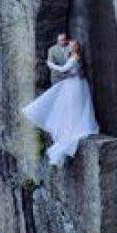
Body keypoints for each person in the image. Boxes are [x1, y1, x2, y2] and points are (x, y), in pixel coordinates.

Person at [21, 35, 99, 166]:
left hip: (74, 85)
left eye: (70, 44)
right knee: (70, 107)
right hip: (75, 83)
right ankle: (71, 126)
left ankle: (72, 129)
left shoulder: (74, 57)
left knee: (72, 107)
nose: (67, 45)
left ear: (74, 47)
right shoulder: (73, 57)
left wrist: (50, 64)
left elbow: (63, 69)